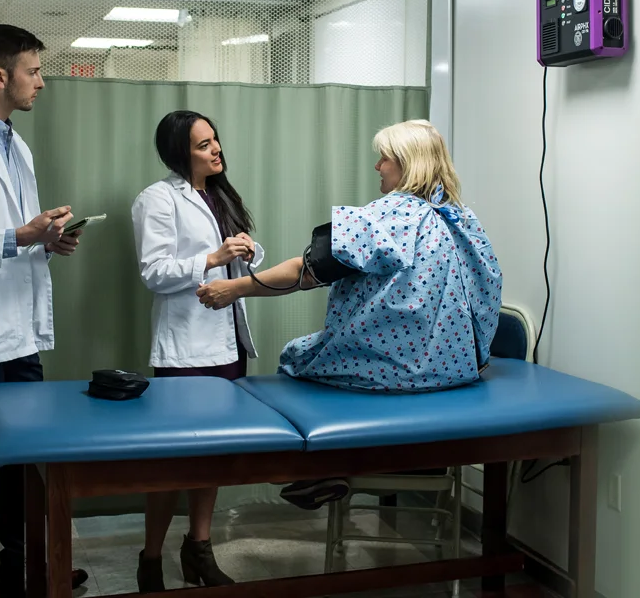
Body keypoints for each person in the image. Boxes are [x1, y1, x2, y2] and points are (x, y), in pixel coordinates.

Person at [196, 119, 502, 509]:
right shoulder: (462, 219)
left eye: (384, 158)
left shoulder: (392, 215)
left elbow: (307, 271)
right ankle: (400, 463)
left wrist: (234, 288)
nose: (378, 167)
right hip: (456, 370)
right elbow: (488, 290)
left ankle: (327, 466)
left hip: (397, 370)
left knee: (299, 359)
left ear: (407, 163)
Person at [0, 24, 88, 597]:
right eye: (34, 71)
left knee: (24, 463)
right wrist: (17, 236)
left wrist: (46, 239)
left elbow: (18, 232)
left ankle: (23, 569)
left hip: (19, 333)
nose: (42, 82)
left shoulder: (15, 142)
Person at [129, 110, 263, 592]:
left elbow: (234, 259)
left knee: (213, 457)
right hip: (186, 351)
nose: (216, 149)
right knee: (172, 463)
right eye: (204, 144)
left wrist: (246, 249)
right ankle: (149, 558)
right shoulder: (158, 199)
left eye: (215, 140)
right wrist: (214, 257)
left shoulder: (219, 195)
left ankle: (199, 549)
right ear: (179, 152)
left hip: (226, 345)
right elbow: (154, 273)